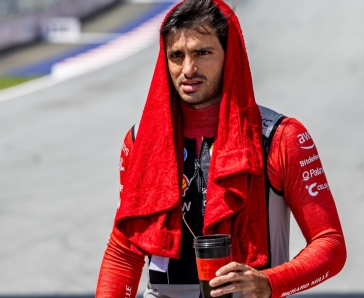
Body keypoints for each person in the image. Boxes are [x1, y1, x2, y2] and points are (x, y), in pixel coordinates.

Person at [95, 0, 346, 297]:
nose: (188, 69)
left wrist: (270, 282)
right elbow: (125, 250)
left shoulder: (282, 137)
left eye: (203, 52)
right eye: (176, 55)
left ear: (230, 56)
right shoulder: (140, 141)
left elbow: (330, 244)